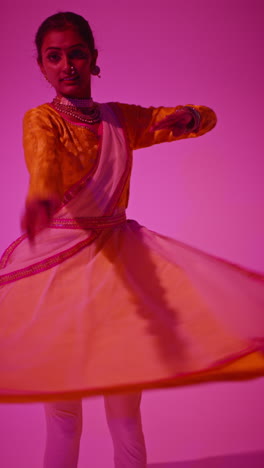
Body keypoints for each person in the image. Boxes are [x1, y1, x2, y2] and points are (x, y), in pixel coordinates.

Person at [0, 11, 263, 468]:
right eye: (54, 56)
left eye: (77, 54)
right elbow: (41, 163)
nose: (67, 65)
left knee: (125, 415)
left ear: (93, 59)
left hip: (118, 272)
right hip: (59, 272)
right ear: (41, 65)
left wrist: (191, 115)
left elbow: (206, 118)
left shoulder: (120, 120)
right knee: (63, 418)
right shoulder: (41, 120)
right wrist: (41, 198)